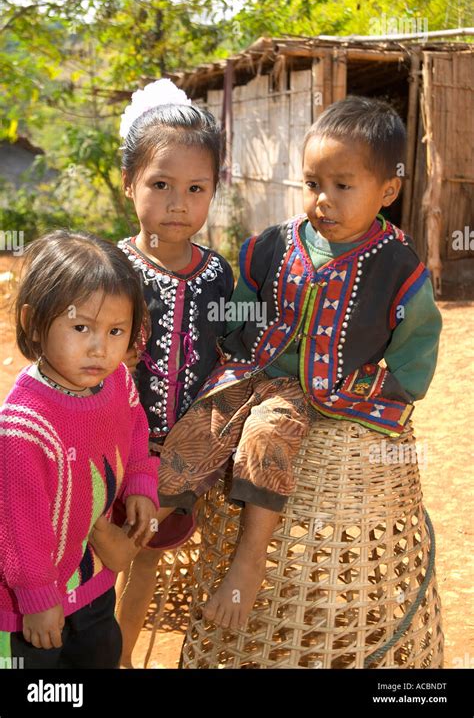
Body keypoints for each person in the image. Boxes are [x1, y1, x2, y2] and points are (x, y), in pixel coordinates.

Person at [152, 95, 443, 631]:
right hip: (253, 371)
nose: (322, 200)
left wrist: (389, 388)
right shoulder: (273, 245)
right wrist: (232, 344)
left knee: (266, 434)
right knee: (202, 422)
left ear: (388, 191)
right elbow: (241, 301)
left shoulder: (397, 263)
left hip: (317, 389)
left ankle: (250, 558)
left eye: (342, 185)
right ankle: (163, 518)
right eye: (313, 184)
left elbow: (419, 334)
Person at [110, 79, 234, 667]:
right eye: (160, 185)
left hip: (200, 452)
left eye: (195, 188)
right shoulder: (110, 270)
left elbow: (234, 352)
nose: (177, 203)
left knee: (185, 558)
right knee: (126, 558)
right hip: (122, 452)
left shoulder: (221, 276)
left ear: (214, 192)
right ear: (129, 184)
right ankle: (115, 658)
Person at [0, 230, 159, 669]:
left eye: (115, 331)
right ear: (35, 322)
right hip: (31, 604)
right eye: (81, 327)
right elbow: (19, 527)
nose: (99, 347)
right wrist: (36, 597)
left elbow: (135, 433)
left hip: (92, 581)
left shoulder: (117, 383)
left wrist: (142, 486)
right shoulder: (24, 426)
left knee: (100, 655)